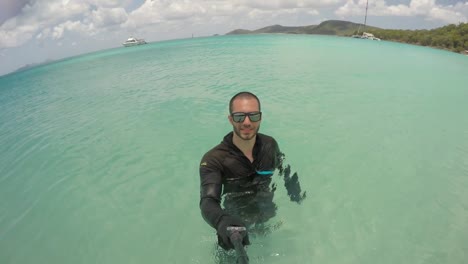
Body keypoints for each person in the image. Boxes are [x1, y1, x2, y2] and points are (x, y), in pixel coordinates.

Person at [199, 91, 306, 251]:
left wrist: (292, 189)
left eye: (253, 116)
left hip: (267, 212)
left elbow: (282, 167)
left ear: (260, 117)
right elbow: (208, 200)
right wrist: (222, 221)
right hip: (236, 225)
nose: (247, 122)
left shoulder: (269, 145)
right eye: (239, 116)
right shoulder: (214, 159)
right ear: (230, 119)